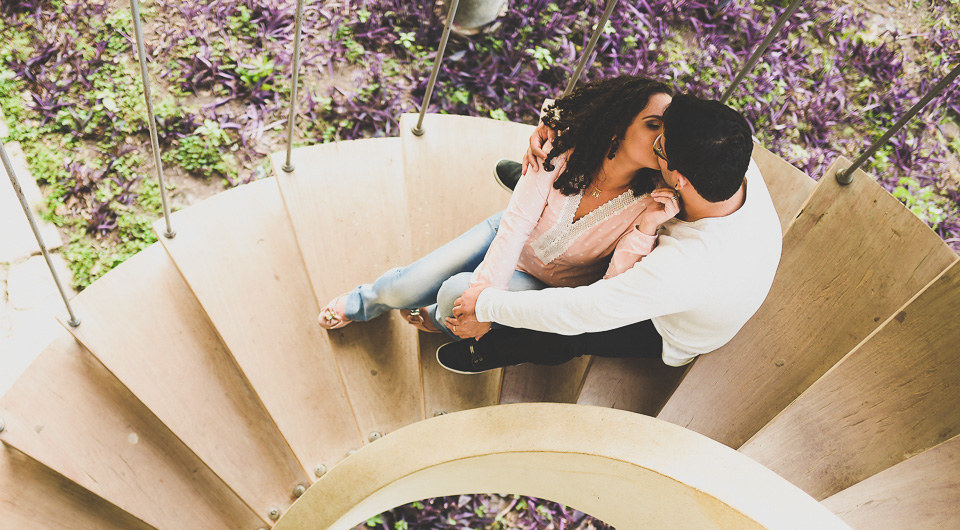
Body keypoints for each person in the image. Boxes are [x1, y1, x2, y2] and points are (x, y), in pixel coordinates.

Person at [439, 93, 783, 374]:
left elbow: (586, 308)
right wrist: (558, 125)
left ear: (679, 180)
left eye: (660, 147)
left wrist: (488, 305)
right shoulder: (726, 152)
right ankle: (555, 194)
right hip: (712, 273)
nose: (654, 143)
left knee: (571, 337)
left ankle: (492, 352)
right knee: (579, 195)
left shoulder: (681, 269)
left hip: (669, 326)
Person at [316, 75, 680, 335]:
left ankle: (439, 320)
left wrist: (646, 228)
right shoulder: (561, 148)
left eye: (668, 130)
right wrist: (484, 295)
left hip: (548, 285)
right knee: (404, 288)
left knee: (453, 295)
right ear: (618, 125)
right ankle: (367, 301)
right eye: (653, 125)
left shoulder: (654, 201)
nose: (663, 139)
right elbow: (517, 223)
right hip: (505, 235)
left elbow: (612, 288)